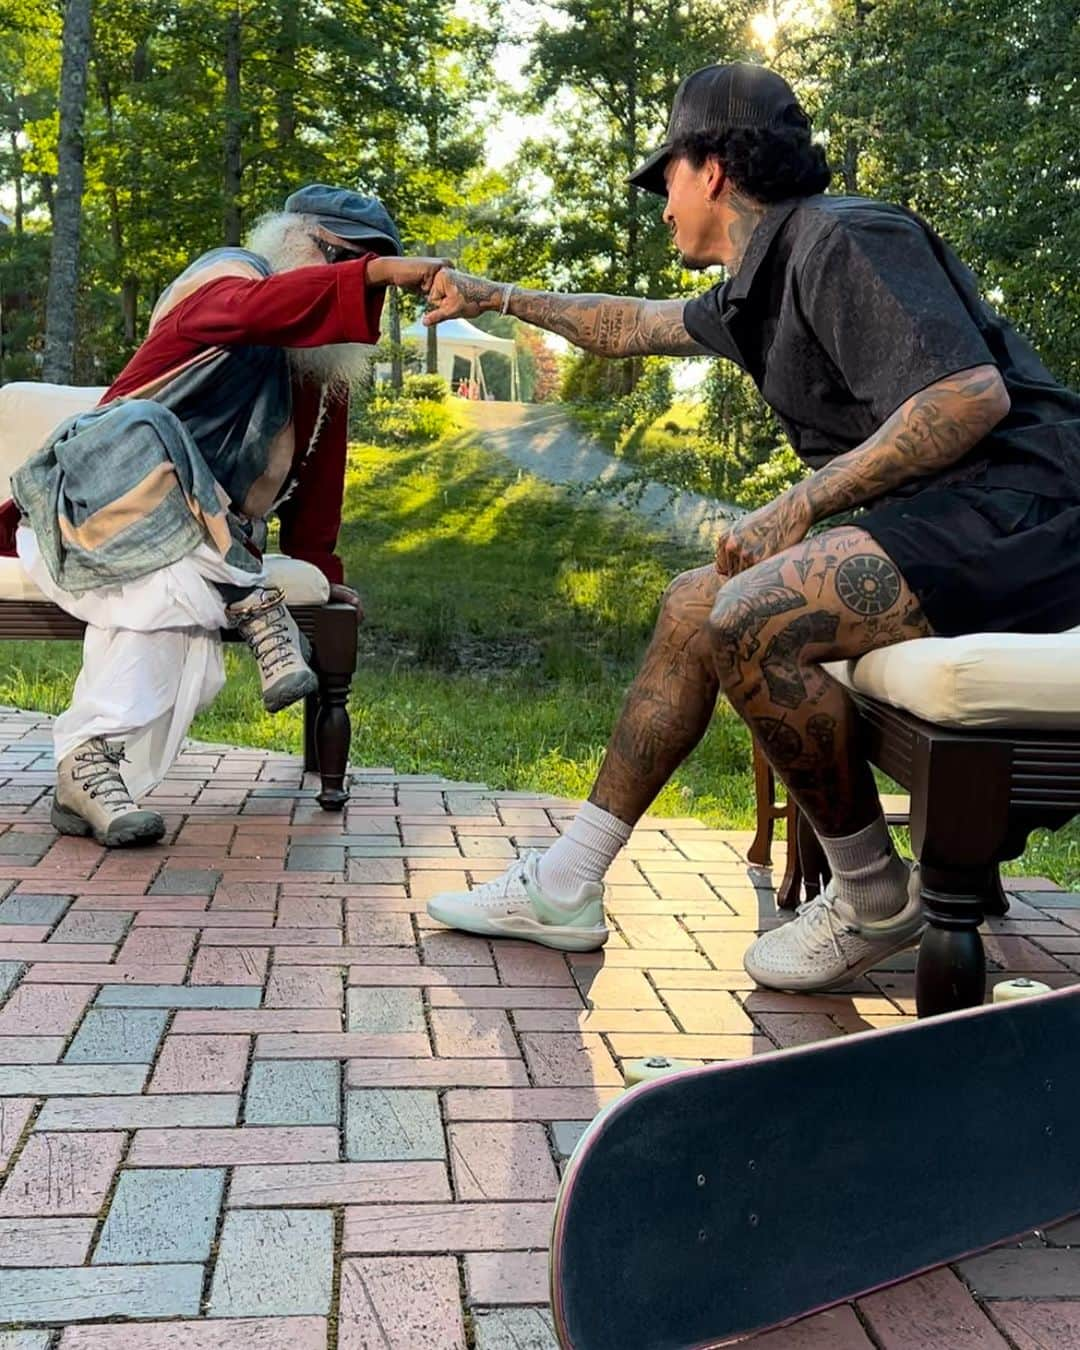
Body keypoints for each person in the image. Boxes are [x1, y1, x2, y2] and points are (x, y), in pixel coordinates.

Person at [420, 63, 1080, 992]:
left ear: (715, 169)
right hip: (953, 525)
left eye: (668, 179)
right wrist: (492, 296)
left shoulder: (843, 237)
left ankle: (869, 894)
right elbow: (626, 326)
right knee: (699, 603)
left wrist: (800, 503)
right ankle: (566, 884)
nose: (662, 208)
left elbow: (970, 396)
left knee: (752, 613)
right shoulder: (753, 289)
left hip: (1034, 512)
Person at [5, 184, 447, 847]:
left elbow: (317, 496)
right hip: (87, 502)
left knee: (173, 586)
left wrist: (321, 575)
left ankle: (90, 768)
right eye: (339, 259)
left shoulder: (318, 378)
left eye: (363, 269)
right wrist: (382, 272)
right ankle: (245, 589)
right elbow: (254, 312)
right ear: (293, 243)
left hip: (185, 541)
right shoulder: (224, 285)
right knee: (152, 427)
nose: (348, 282)